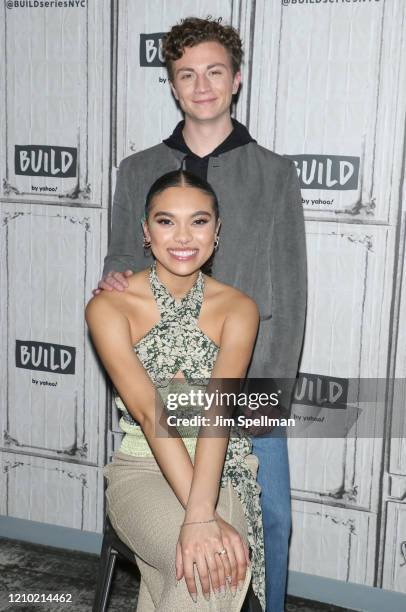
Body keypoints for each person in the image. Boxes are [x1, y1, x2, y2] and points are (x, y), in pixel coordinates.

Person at [95, 17, 307, 612]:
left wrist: (260, 401)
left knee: (271, 526)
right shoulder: (138, 169)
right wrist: (113, 283)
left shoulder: (275, 173)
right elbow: (118, 262)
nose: (202, 85)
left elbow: (287, 296)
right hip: (161, 391)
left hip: (243, 394)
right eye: (186, 74)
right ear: (172, 85)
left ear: (235, 80)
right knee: (181, 537)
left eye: (215, 72)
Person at [86, 169, 265, 610]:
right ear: (146, 232)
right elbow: (150, 414)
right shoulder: (109, 306)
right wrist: (201, 518)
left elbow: (219, 415)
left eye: (199, 221)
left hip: (219, 471)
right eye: (166, 221)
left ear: (217, 230)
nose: (183, 236)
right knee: (207, 572)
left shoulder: (239, 309)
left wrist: (203, 511)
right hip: (141, 473)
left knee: (205, 570)